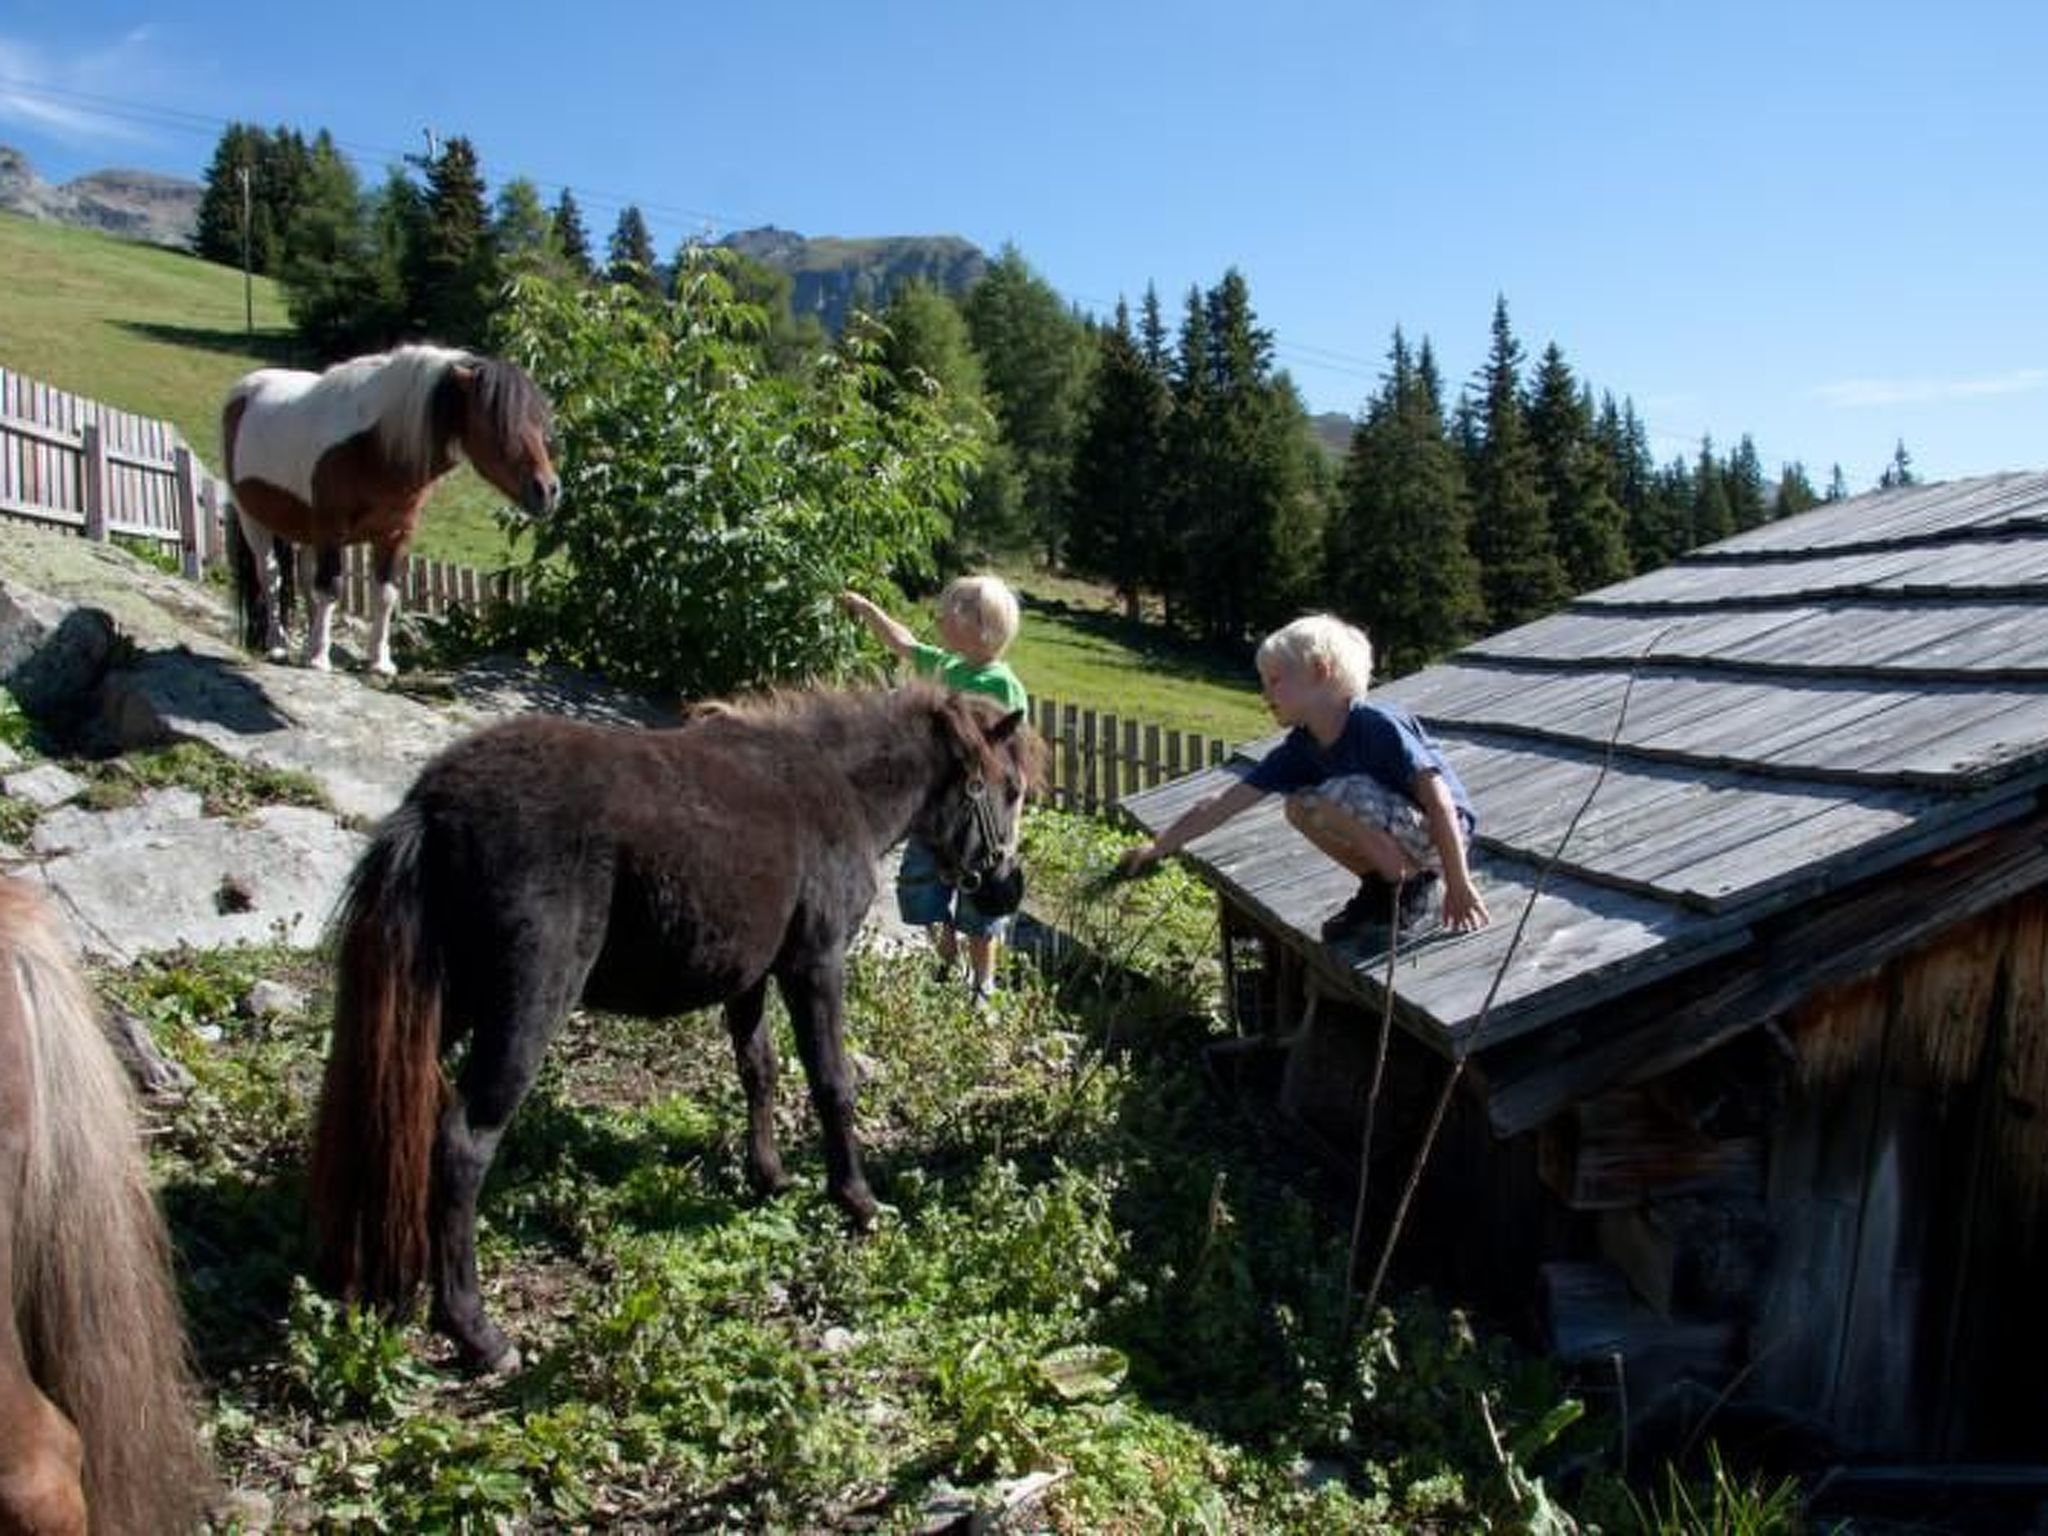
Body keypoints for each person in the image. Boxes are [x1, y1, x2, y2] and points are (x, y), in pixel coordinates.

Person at [1118, 612, 1489, 944]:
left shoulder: (1376, 726)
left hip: (1441, 837)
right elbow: (1222, 804)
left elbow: (1439, 801)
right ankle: (1381, 885)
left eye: (1275, 680)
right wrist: (1160, 846)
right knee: (1298, 805)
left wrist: (1458, 882)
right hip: (1397, 833)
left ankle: (1413, 888)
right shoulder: (1301, 748)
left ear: (1321, 671)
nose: (1265, 694)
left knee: (1337, 793)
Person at [839, 576, 1030, 1002]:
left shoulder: (1002, 686)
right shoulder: (948, 665)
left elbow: (1016, 765)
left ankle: (983, 983)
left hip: (976, 821)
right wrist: (868, 610)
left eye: (949, 610)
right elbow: (904, 644)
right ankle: (946, 957)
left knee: (979, 908)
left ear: (978, 626)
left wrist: (1010, 829)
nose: (939, 616)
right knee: (920, 889)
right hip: (937, 811)